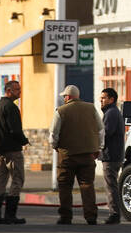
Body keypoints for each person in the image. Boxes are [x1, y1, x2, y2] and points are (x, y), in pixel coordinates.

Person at [51, 84, 103, 225]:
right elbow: (100, 129)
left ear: (68, 97)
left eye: (64, 97)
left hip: (67, 155)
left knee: (65, 186)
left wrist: (55, 146)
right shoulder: (91, 108)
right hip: (87, 154)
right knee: (87, 185)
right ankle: (91, 216)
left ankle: (66, 217)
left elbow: (54, 134)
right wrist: (99, 147)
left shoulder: (61, 111)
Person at [0, 80, 29, 225]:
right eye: (17, 89)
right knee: (17, 180)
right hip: (12, 150)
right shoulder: (11, 107)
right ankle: (10, 215)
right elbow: (15, 130)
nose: (19, 92)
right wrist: (24, 140)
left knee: (0, 181)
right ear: (8, 91)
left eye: (19, 89)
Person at [99, 87, 123, 224]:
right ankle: (114, 212)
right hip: (113, 154)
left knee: (111, 186)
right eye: (101, 97)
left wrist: (96, 145)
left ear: (111, 99)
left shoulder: (111, 113)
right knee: (112, 184)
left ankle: (114, 214)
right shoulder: (111, 112)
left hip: (111, 155)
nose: (100, 100)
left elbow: (106, 133)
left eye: (104, 98)